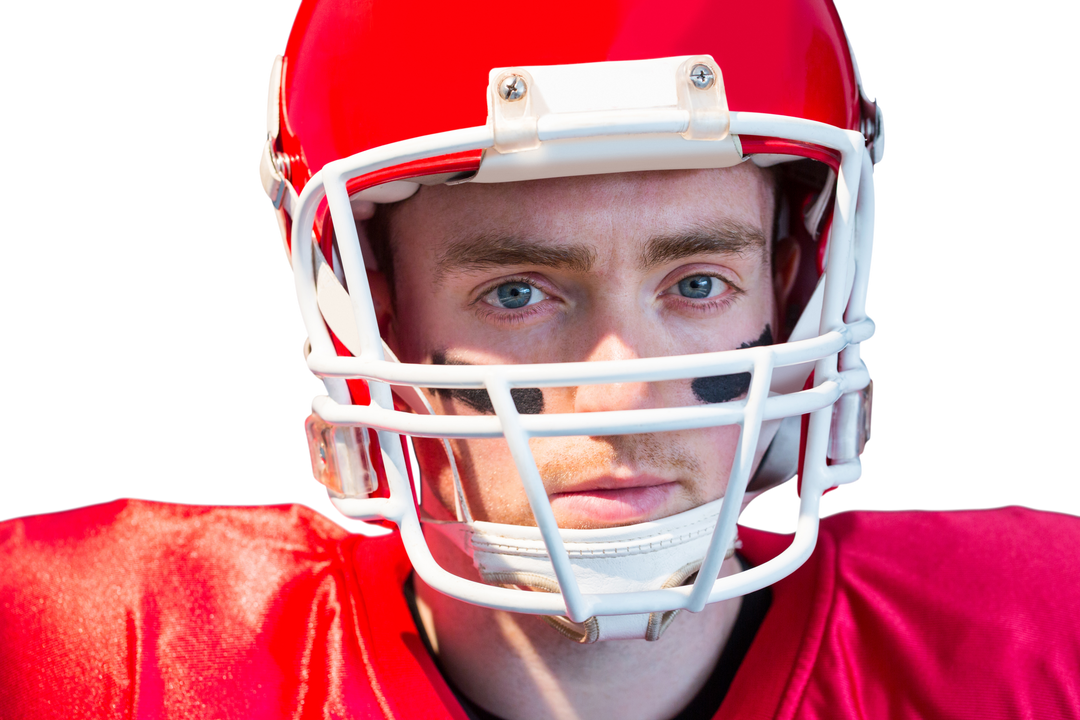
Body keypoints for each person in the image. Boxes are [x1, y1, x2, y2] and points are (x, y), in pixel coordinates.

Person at [2, 1, 1077, 718]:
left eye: (697, 284)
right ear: (369, 298)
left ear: (793, 285)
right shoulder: (102, 650)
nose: (622, 394)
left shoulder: (1040, 637)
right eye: (517, 293)